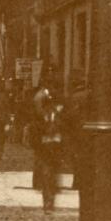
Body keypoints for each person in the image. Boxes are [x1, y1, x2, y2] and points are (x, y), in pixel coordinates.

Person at [35, 84, 66, 213]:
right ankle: (47, 202)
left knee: (53, 175)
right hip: (45, 149)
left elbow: (65, 130)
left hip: (56, 149)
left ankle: (51, 200)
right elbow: (35, 131)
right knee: (47, 174)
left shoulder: (60, 116)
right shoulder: (42, 115)